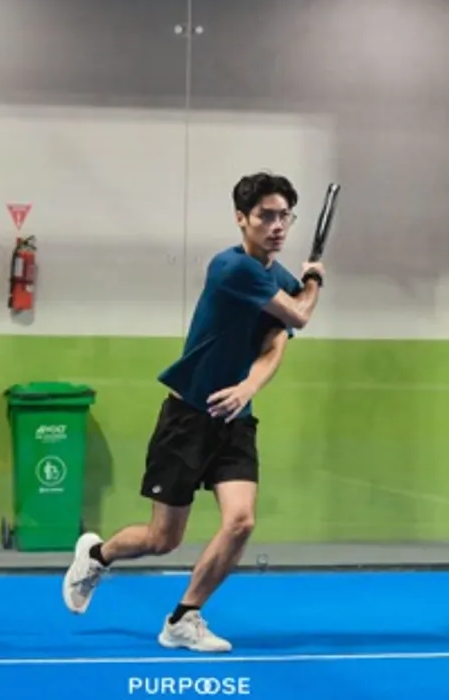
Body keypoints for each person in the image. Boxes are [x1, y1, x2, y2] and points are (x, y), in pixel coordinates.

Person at [62, 171, 326, 652]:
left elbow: (277, 341)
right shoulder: (232, 268)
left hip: (235, 421)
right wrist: (314, 279)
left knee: (241, 521)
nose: (277, 226)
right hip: (187, 419)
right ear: (241, 218)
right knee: (162, 539)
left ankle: (184, 618)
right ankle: (98, 554)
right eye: (266, 216)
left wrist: (248, 386)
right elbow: (301, 314)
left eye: (285, 216)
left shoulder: (276, 277)